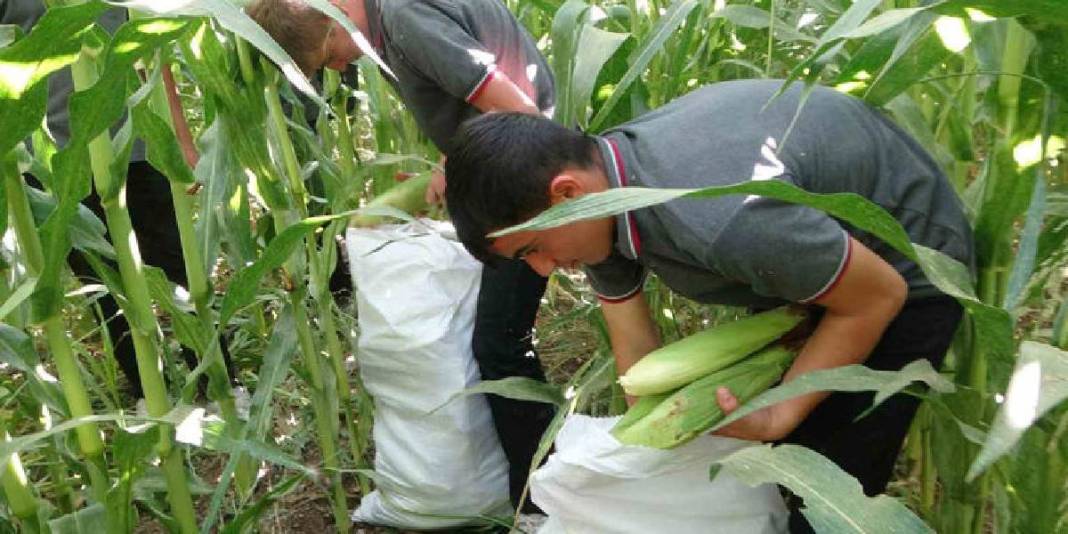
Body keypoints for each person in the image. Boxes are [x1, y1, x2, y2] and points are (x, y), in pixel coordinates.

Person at [444, 79, 974, 532]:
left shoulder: (722, 222)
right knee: (773, 471)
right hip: (814, 266)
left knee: (823, 485)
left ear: (565, 192)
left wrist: (777, 414)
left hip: (909, 263)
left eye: (532, 248)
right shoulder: (602, 196)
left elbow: (879, 296)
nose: (540, 269)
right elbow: (637, 367)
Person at [246, 0, 556, 514]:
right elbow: (487, 106)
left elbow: (518, 108)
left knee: (500, 344)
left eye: (328, 56)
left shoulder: (405, 20)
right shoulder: (395, 24)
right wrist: (449, 163)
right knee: (495, 337)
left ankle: (539, 501)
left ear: (332, 18)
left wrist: (461, 167)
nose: (342, 68)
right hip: (508, 174)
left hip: (523, 180)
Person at [1, 1, 235, 400]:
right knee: (104, 287)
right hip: (53, 161)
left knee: (180, 269)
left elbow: (150, 43)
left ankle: (220, 386)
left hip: (137, 142)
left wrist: (178, 136)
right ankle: (149, 395)